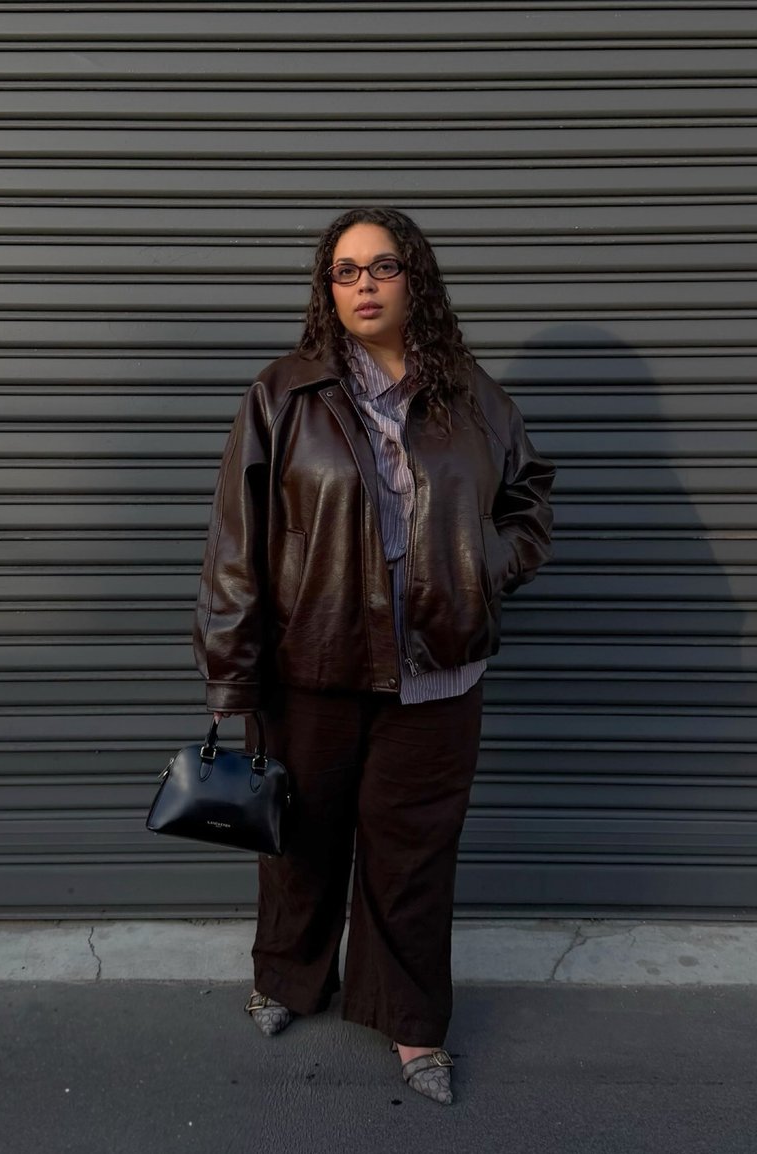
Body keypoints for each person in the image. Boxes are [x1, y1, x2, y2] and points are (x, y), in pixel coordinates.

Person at [193, 206, 555, 1105]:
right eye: (345, 270)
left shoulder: (472, 396)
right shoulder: (285, 393)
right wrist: (231, 670)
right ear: (328, 288)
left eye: (382, 266)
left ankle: (413, 1023)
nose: (364, 285)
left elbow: (530, 500)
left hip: (440, 671)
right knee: (301, 843)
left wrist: (486, 565)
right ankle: (288, 977)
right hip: (311, 665)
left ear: (413, 278)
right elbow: (237, 540)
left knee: (414, 855)